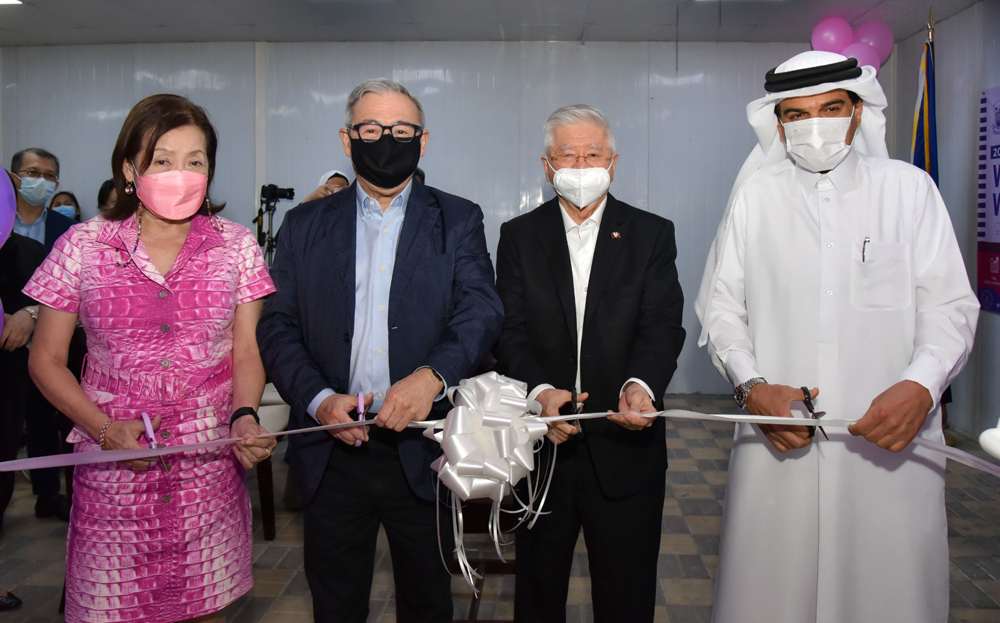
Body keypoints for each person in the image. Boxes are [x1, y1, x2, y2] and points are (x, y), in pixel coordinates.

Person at [696, 51, 980, 622]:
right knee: (770, 596)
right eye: (797, 114)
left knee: (889, 594)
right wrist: (750, 387)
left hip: (892, 444)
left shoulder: (910, 190)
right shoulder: (757, 197)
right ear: (778, 124)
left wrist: (922, 387)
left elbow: (949, 305)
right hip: (778, 437)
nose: (814, 124)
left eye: (830, 107)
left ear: (857, 113)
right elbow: (722, 307)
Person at [258, 78, 503, 623]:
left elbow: (481, 309)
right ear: (347, 141)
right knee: (336, 603)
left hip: (422, 448)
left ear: (423, 139)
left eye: (400, 130)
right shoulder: (303, 225)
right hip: (330, 449)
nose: (386, 139)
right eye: (371, 129)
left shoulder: (458, 219)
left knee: (427, 601)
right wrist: (319, 398)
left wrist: (431, 377)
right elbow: (277, 326)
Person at [25, 93, 277, 623]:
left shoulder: (236, 246)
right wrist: (103, 429)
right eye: (162, 160)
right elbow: (46, 359)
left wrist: (246, 412)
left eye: (195, 161)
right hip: (113, 473)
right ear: (128, 167)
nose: (179, 174)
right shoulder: (82, 246)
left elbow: (247, 349)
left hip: (206, 471)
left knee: (205, 608)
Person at [493, 104, 685, 623]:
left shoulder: (651, 234)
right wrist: (538, 393)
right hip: (541, 449)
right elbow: (507, 329)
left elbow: (662, 324)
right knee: (537, 591)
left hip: (627, 446)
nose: (581, 165)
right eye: (568, 155)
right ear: (547, 165)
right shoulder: (518, 236)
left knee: (626, 593)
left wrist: (641, 384)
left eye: (592, 153)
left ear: (614, 162)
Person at [7, 150, 75, 521]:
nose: (41, 181)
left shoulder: (68, 232)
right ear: (14, 178)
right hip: (4, 336)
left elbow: (76, 293)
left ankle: (48, 493)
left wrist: (32, 315)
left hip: (47, 339)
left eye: (49, 175)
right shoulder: (3, 224)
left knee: (43, 417)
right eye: (32, 172)